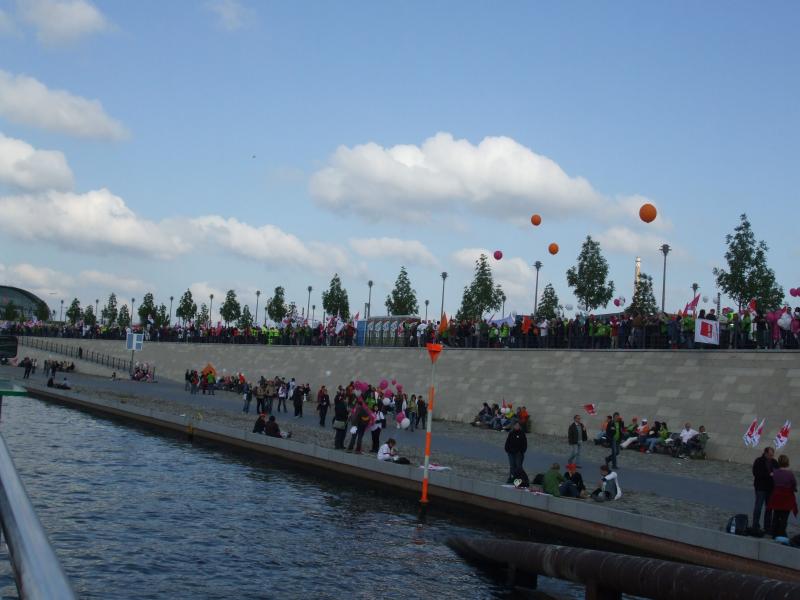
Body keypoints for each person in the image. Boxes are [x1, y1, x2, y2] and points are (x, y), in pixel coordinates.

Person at [767, 454, 798, 539]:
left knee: (776, 515)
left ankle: (774, 532)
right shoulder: (790, 474)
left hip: (777, 496)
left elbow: (771, 481)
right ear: (787, 462)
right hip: (786, 498)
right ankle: (781, 533)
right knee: (784, 517)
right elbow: (794, 484)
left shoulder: (775, 472)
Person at [752, 447, 779, 534]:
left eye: (772, 455)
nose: (771, 456)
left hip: (770, 488)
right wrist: (769, 475)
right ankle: (755, 525)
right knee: (758, 507)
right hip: (760, 487)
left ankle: (767, 527)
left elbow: (777, 473)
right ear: (765, 453)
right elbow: (755, 473)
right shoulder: (759, 461)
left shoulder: (774, 462)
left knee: (769, 508)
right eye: (770, 455)